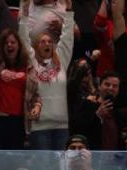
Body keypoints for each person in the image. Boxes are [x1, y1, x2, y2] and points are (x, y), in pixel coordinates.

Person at [0, 0, 40, 150]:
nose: (9, 45)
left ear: (19, 45)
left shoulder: (28, 67)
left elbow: (35, 95)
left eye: (13, 42)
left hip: (18, 124)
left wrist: (37, 106)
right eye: (6, 43)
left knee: (14, 168)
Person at [18, 0, 74, 150]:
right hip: (39, 127)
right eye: (42, 42)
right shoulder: (32, 62)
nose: (47, 44)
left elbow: (67, 38)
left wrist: (69, 12)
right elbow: (23, 38)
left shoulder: (61, 60)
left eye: (49, 41)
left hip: (62, 126)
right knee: (43, 169)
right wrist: (23, 15)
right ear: (36, 46)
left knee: (61, 169)